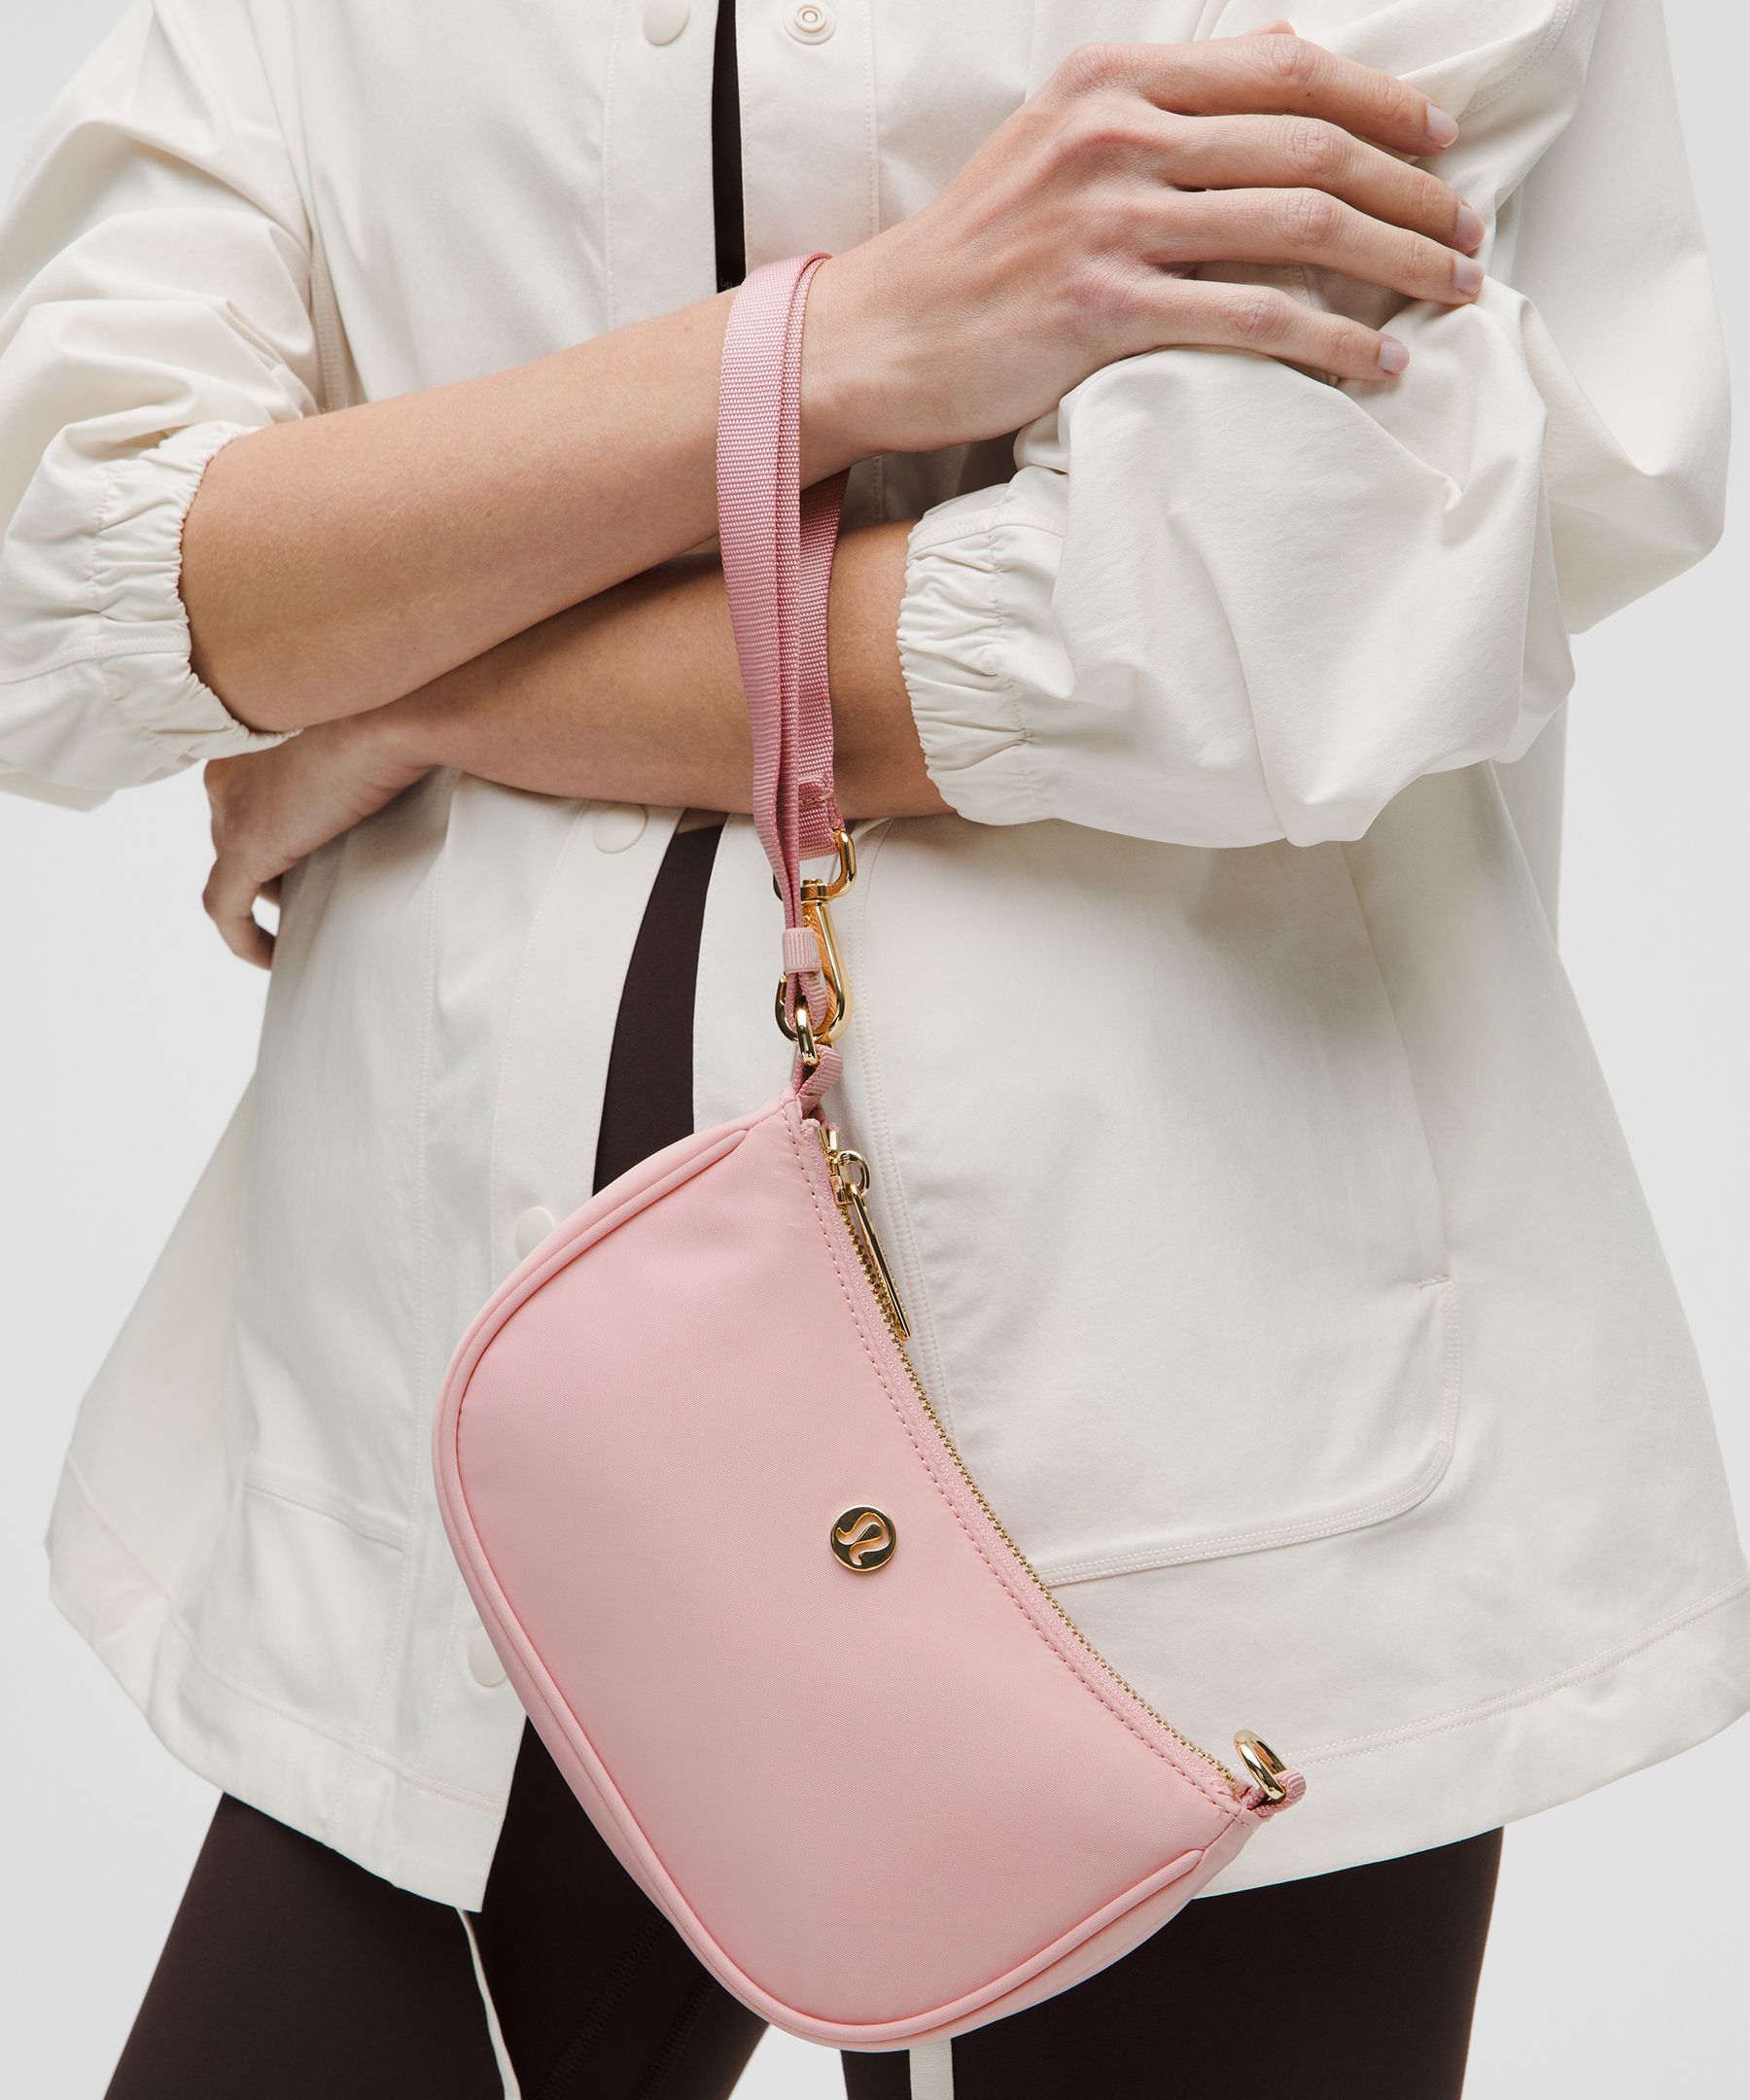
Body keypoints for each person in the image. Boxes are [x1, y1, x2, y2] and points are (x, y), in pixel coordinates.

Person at [0, 2, 1742, 2095]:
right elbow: (78, 572)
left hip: (1194, 1477)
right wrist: (846, 344)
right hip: (455, 1440)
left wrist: (396, 682)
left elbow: (1232, 609)